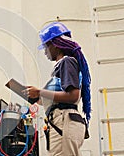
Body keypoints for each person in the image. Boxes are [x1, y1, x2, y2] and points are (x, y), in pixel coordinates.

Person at [23, 22, 91, 156]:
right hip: (61, 123)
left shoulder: (67, 62)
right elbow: (55, 96)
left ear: (55, 45)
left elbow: (73, 96)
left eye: (45, 46)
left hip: (63, 121)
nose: (44, 51)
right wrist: (34, 97)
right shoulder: (62, 66)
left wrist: (40, 92)